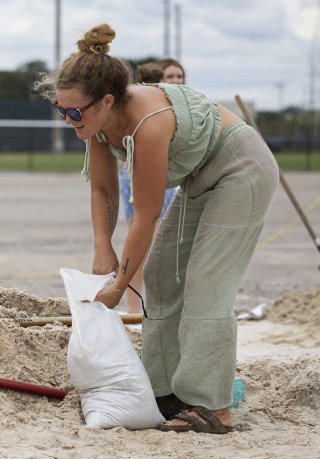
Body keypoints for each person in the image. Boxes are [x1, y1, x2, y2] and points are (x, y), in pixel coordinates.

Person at [40, 24, 278, 433]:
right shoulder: (95, 125)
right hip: (201, 177)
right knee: (161, 273)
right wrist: (103, 249)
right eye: (61, 110)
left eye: (74, 111)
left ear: (107, 101)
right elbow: (102, 190)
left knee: (206, 281)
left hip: (241, 168)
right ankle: (165, 391)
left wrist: (117, 286)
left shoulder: (148, 124)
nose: (68, 119)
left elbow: (145, 215)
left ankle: (211, 406)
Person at [118, 60, 184, 314]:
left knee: (161, 244)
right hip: (137, 175)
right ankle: (135, 308)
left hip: (168, 176)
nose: (176, 80)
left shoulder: (182, 107)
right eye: (171, 75)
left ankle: (157, 306)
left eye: (180, 75)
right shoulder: (148, 106)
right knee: (142, 243)